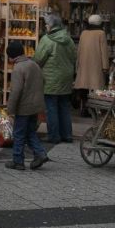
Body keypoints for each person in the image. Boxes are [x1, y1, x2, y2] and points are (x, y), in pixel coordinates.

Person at [5, 40, 49, 171]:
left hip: (24, 107)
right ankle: (40, 154)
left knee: (18, 134)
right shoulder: (33, 64)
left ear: (12, 56)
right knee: (30, 132)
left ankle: (18, 161)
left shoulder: (18, 68)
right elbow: (44, 80)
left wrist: (10, 109)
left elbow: (16, 91)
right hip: (36, 105)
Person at [34, 12, 77, 145]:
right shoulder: (69, 39)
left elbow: (38, 59)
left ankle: (53, 136)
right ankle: (67, 135)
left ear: (51, 26)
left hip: (51, 78)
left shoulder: (47, 40)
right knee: (64, 106)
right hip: (66, 77)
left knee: (51, 107)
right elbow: (74, 57)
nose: (45, 26)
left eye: (46, 24)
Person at [74, 14, 109, 115]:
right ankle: (94, 109)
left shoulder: (84, 33)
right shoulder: (101, 33)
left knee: (84, 87)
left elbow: (79, 49)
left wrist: (77, 64)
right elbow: (104, 51)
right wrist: (105, 66)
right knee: (96, 88)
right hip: (96, 65)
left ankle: (84, 108)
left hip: (84, 64)